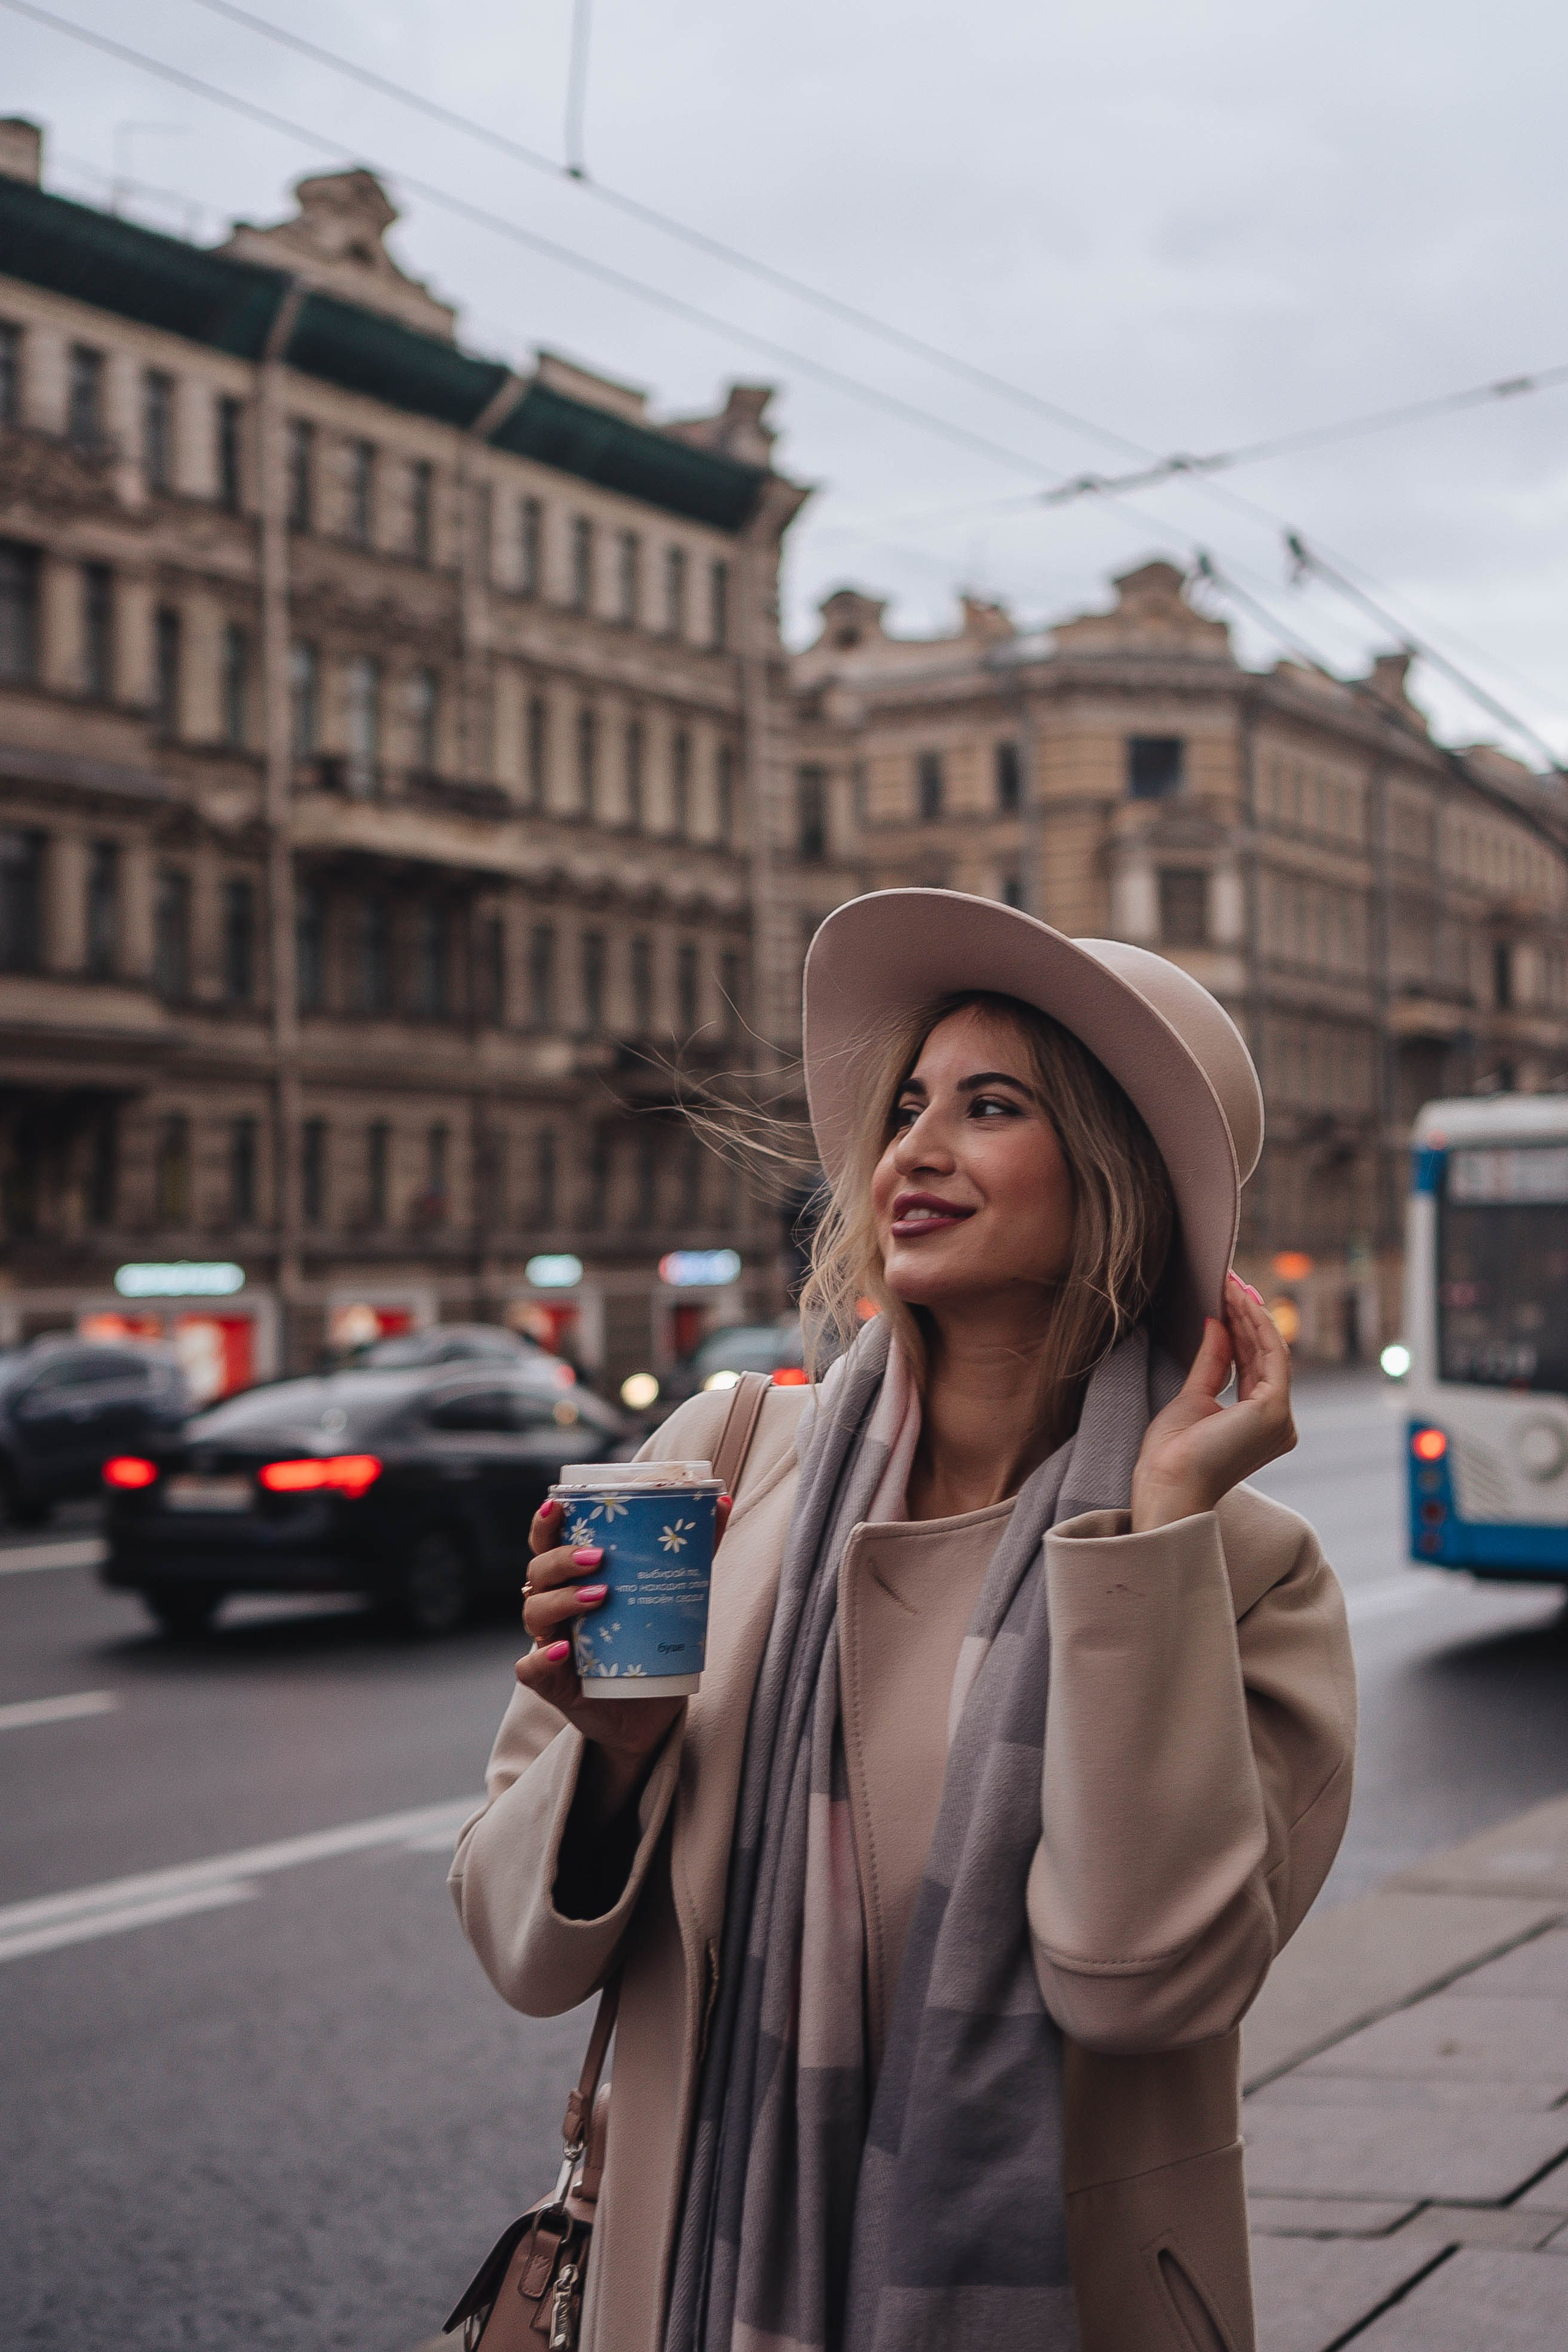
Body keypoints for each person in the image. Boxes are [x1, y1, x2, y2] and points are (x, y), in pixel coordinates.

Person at [451, 888, 1356, 2352]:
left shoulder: (1241, 1572)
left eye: (989, 1106)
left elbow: (1140, 1983)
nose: (911, 1151)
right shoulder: (719, 1464)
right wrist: (608, 1761)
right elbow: (522, 1957)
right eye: (909, 1104)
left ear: (1115, 1172)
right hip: (692, 2288)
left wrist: (1160, 1529)